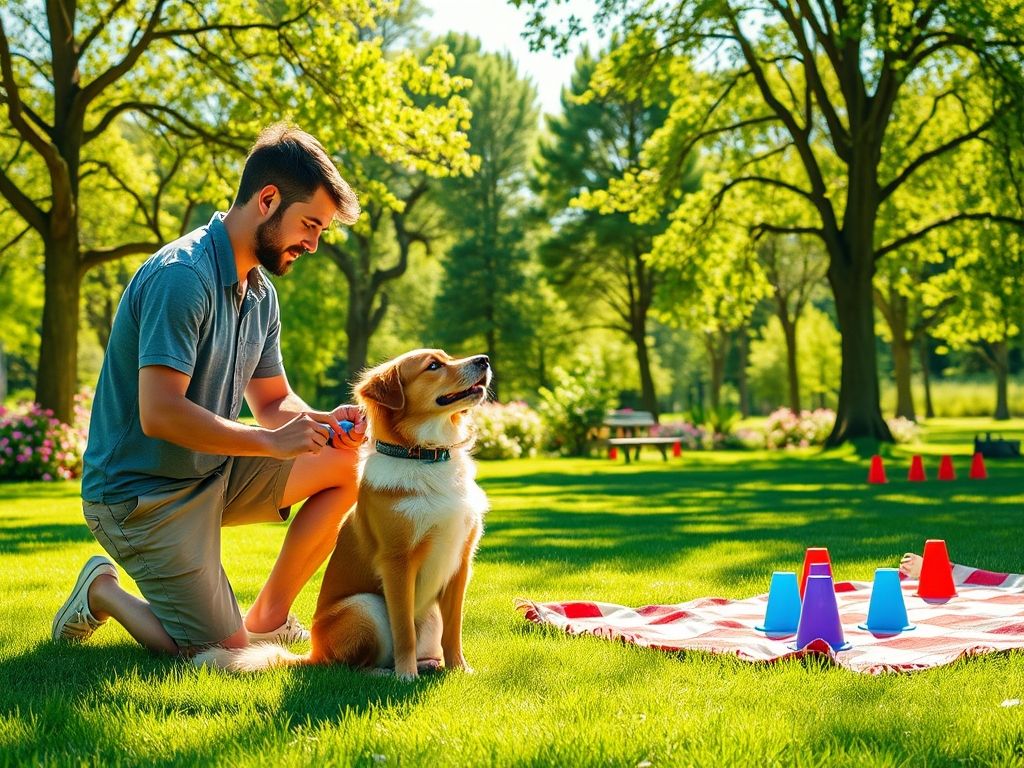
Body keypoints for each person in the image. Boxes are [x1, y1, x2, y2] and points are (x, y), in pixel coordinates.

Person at [52, 124, 366, 655]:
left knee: (347, 464)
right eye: (310, 224)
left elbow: (273, 402)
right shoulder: (182, 276)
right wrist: (270, 442)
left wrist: (321, 423)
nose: (313, 244)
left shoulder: (260, 293)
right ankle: (103, 591)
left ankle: (269, 617)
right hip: (140, 495)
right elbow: (159, 413)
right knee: (226, 658)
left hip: (211, 473)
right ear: (268, 200)